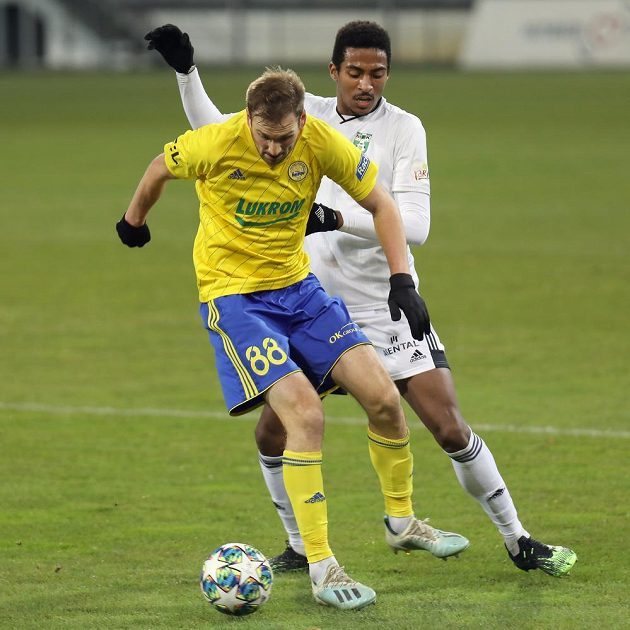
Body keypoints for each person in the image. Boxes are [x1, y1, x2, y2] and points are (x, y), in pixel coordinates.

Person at [145, 21, 577, 578]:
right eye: (355, 72)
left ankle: (517, 537)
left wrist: (336, 222)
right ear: (334, 71)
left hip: (382, 300)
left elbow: (413, 222)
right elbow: (219, 138)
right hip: (308, 299)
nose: (366, 83)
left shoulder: (405, 130)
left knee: (447, 425)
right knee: (276, 427)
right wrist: (187, 74)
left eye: (377, 73)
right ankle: (302, 547)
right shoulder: (306, 113)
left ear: (388, 74)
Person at [116, 65, 460, 610]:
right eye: (265, 137)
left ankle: (401, 520)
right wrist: (134, 221)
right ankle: (322, 565)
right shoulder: (216, 143)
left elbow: (383, 204)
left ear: (302, 120)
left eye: (284, 138)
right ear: (249, 120)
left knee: (384, 398)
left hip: (299, 291)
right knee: (307, 415)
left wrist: (401, 278)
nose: (275, 150)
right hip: (236, 298)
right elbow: (161, 166)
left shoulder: (321, 141)